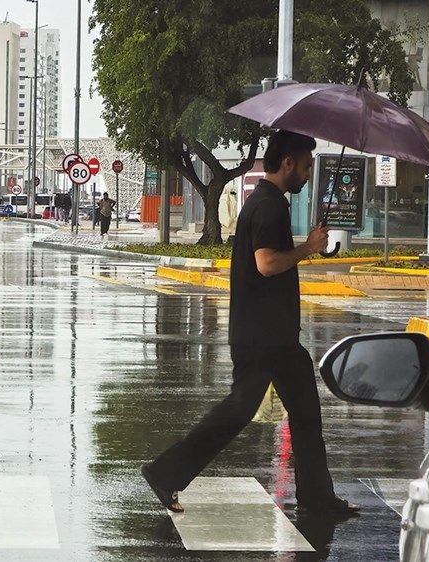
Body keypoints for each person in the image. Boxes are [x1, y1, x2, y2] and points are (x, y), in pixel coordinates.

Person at [141, 130, 360, 518]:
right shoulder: (269, 206)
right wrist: (308, 248)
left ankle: (317, 498)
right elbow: (266, 263)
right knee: (239, 411)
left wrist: (304, 249)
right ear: (288, 163)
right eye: (307, 165)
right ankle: (164, 472)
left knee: (306, 415)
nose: (309, 174)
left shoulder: (267, 200)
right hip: (264, 338)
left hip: (271, 335)